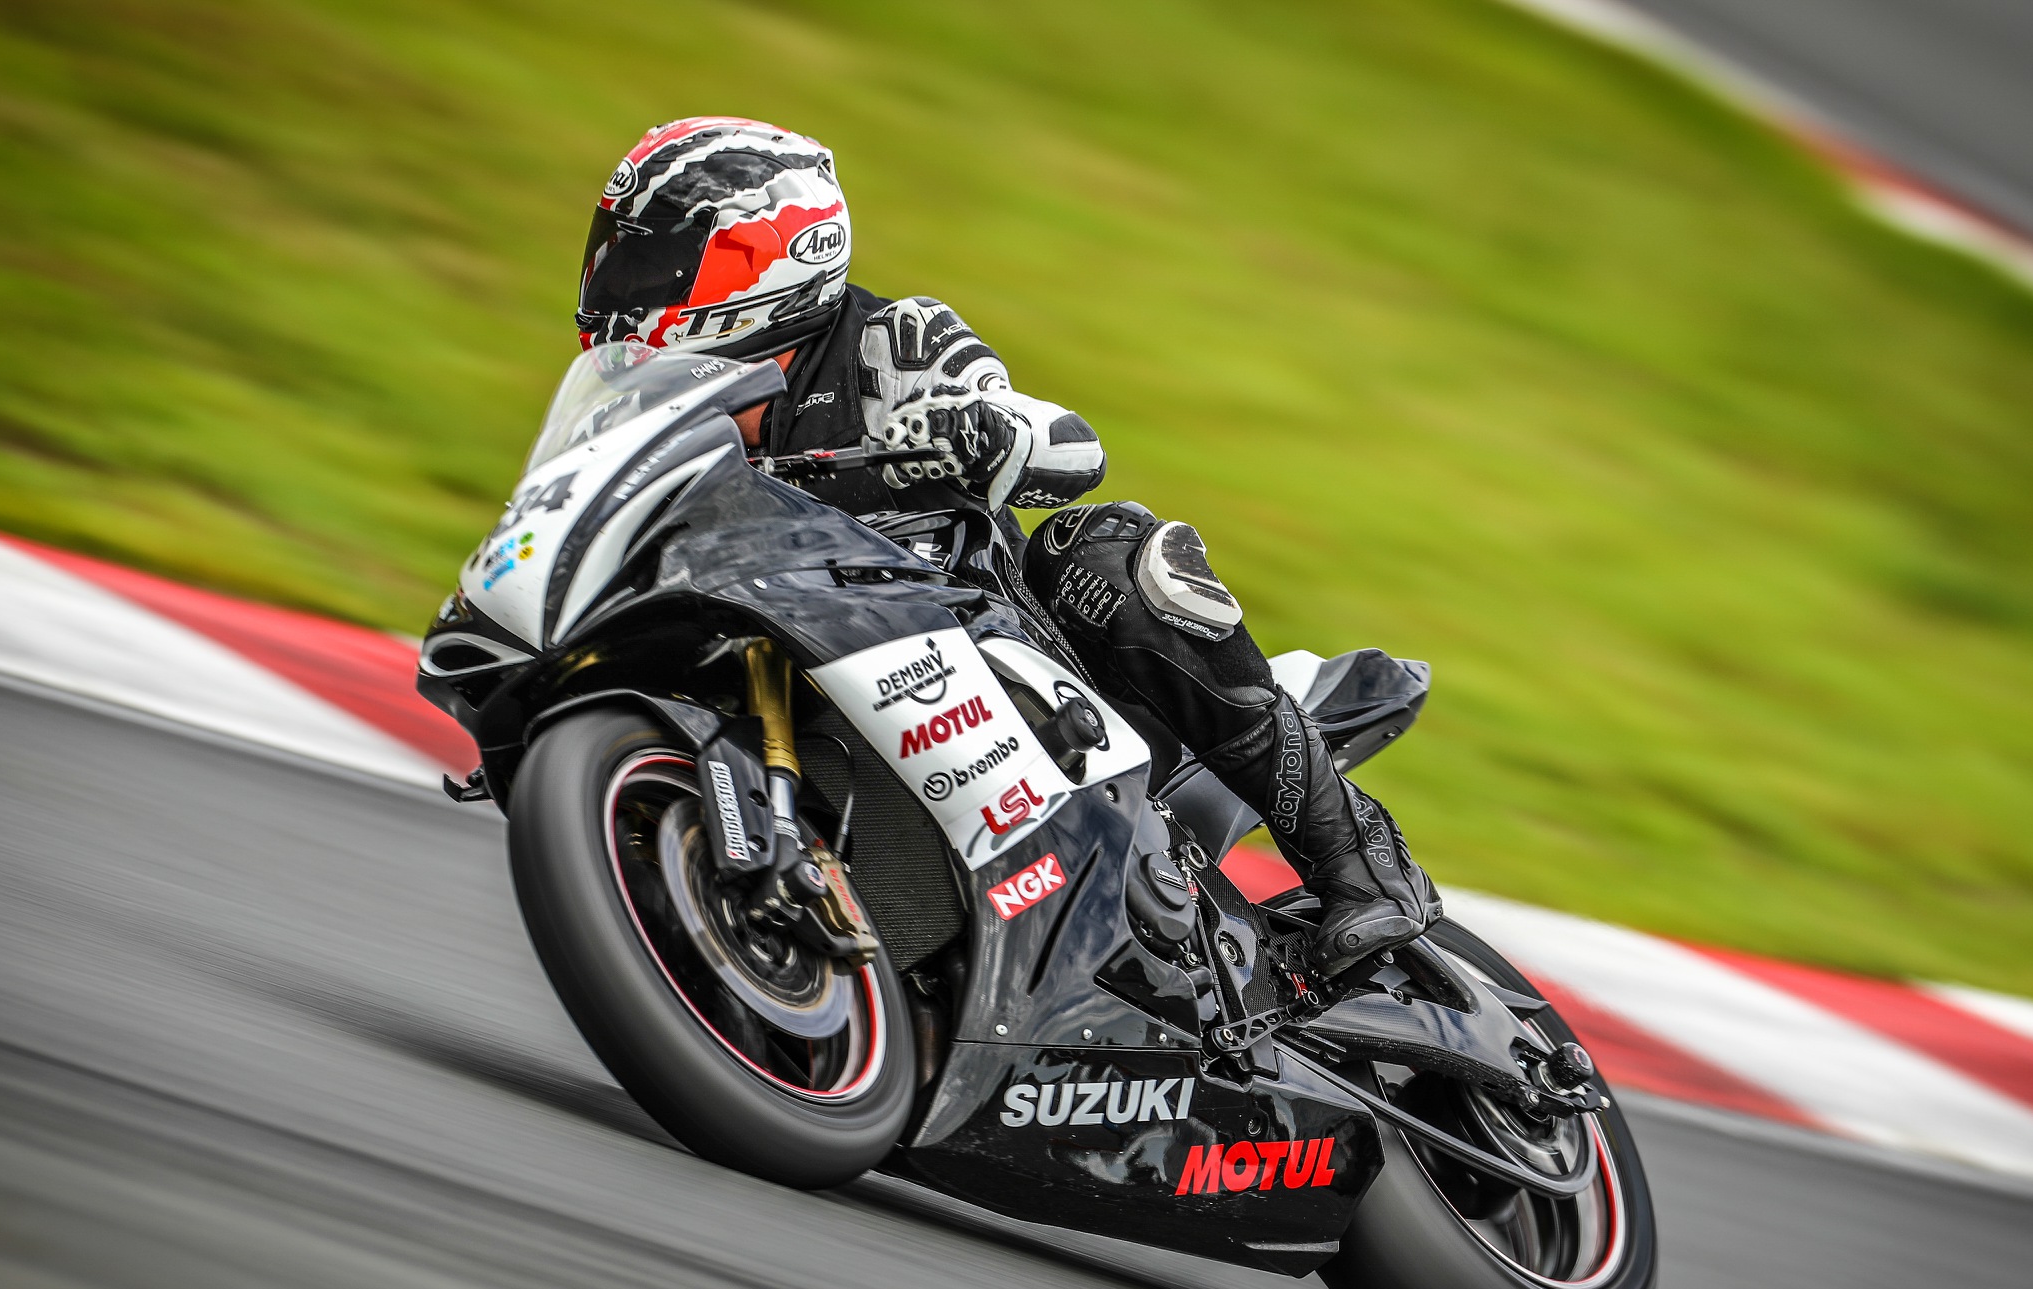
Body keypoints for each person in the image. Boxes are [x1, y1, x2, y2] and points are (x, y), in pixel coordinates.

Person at [575, 116, 1439, 975]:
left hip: (1010, 680)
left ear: (764, 260)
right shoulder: (642, 419)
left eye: (650, 267)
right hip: (798, 683)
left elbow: (1071, 447)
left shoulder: (889, 343)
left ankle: (1362, 866)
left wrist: (979, 429)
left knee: (1102, 551)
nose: (621, 293)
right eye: (618, 260)